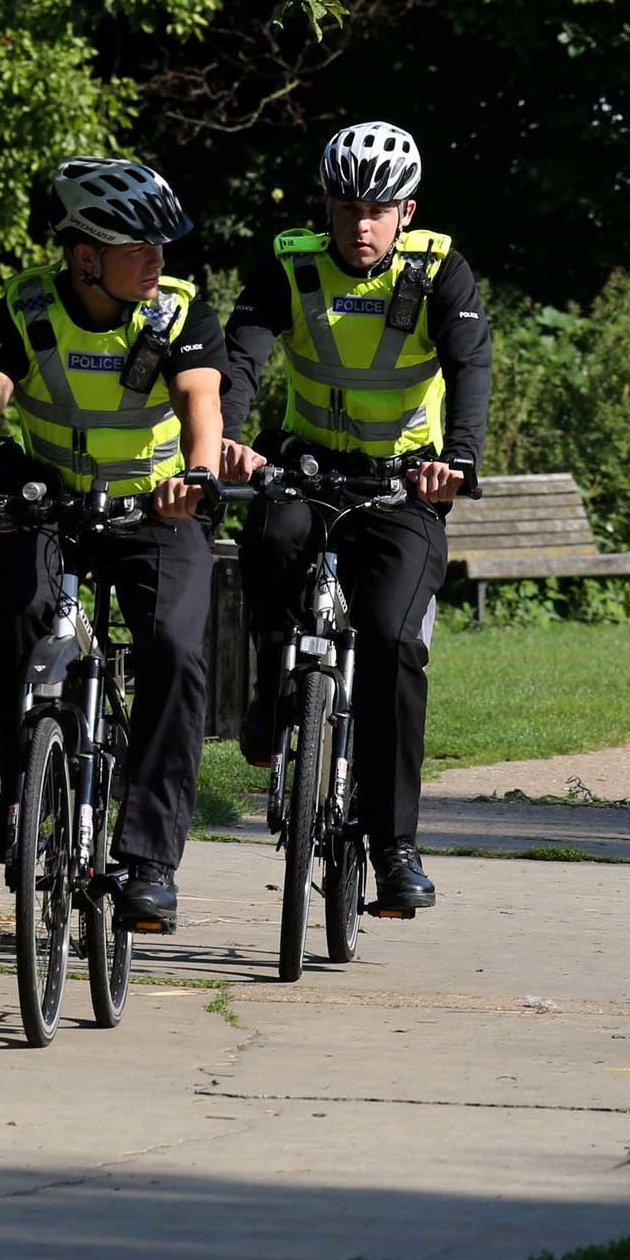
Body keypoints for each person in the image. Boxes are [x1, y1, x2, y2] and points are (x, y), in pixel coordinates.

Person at [0, 157, 225, 928]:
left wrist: (197, 473)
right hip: (46, 502)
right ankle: (23, 787)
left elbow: (202, 403)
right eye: (139, 247)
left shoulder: (177, 312)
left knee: (176, 653)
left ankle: (150, 860)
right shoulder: (25, 309)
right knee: (18, 618)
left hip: (158, 507)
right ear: (86, 256)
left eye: (163, 246)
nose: (159, 260)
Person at [221, 121, 492, 913]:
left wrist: (460, 461)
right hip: (306, 467)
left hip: (404, 484)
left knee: (393, 642)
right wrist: (233, 441)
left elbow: (470, 363)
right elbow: (241, 353)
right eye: (348, 207)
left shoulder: (441, 269)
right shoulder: (291, 263)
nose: (362, 224)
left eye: (379, 209)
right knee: (272, 544)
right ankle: (275, 684)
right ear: (328, 207)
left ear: (407, 211)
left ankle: (395, 848)